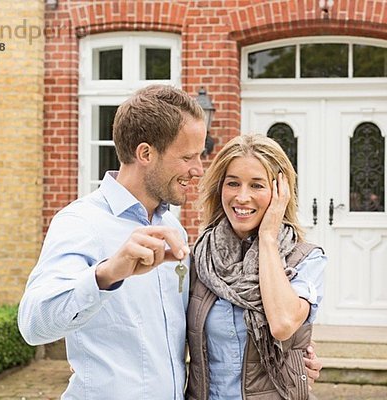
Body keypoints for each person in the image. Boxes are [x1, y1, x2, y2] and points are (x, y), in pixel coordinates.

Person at [18, 85, 321, 399]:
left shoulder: (173, 228)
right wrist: (107, 275)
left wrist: (294, 359)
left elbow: (213, 329)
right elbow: (33, 325)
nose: (198, 169)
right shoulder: (81, 222)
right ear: (146, 153)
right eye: (187, 156)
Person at [186, 135, 326, 400]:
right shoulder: (200, 259)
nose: (242, 197)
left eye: (257, 185)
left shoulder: (306, 260)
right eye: (233, 183)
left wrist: (268, 238)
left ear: (280, 193)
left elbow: (283, 324)